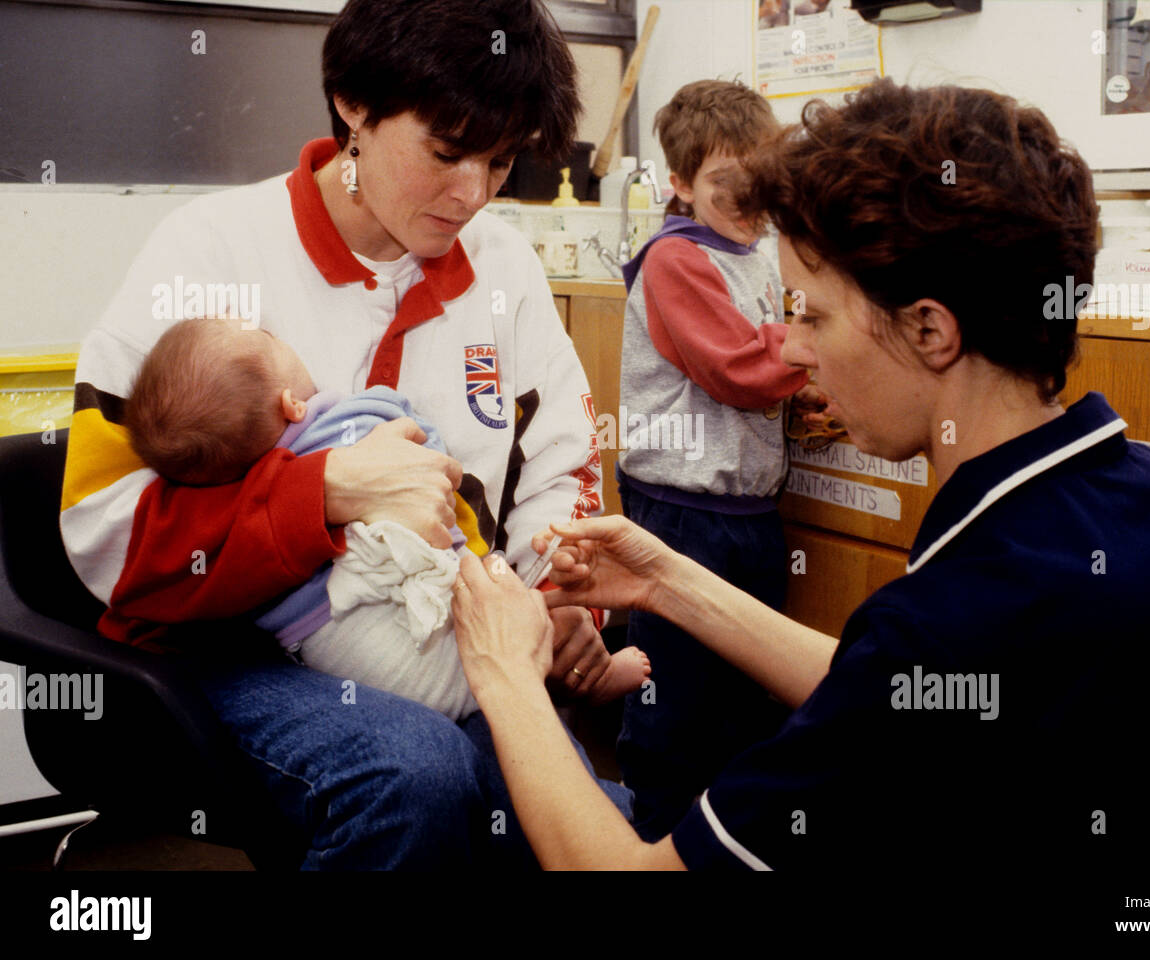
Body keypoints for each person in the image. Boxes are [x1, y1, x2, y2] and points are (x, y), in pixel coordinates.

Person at [448, 79, 1150, 879]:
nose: (798, 349)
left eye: (811, 313)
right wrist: (666, 580)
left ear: (930, 329)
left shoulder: (955, 618)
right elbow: (903, 690)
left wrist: (505, 672)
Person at [59, 0, 632, 869]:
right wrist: (325, 493)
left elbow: (560, 463)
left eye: (501, 161)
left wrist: (557, 590)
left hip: (441, 634)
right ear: (353, 104)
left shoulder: (506, 269)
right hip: (234, 647)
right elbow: (109, 532)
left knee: (585, 818)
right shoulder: (209, 252)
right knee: (418, 775)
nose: (473, 194)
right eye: (446, 152)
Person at [121, 316, 652, 717]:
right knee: (507, 668)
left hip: (323, 644)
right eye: (274, 342)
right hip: (407, 617)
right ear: (292, 404)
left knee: (471, 683)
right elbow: (432, 457)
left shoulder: (233, 478)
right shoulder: (354, 416)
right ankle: (588, 678)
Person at [616, 79, 810, 839]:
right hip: (683, 513)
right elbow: (738, 368)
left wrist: (809, 395)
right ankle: (652, 836)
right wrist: (818, 347)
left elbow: (769, 377)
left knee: (746, 696)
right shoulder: (676, 259)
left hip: (749, 514)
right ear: (682, 184)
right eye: (730, 187)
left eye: (763, 185)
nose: (750, 202)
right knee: (675, 700)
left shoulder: (759, 255)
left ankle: (722, 839)